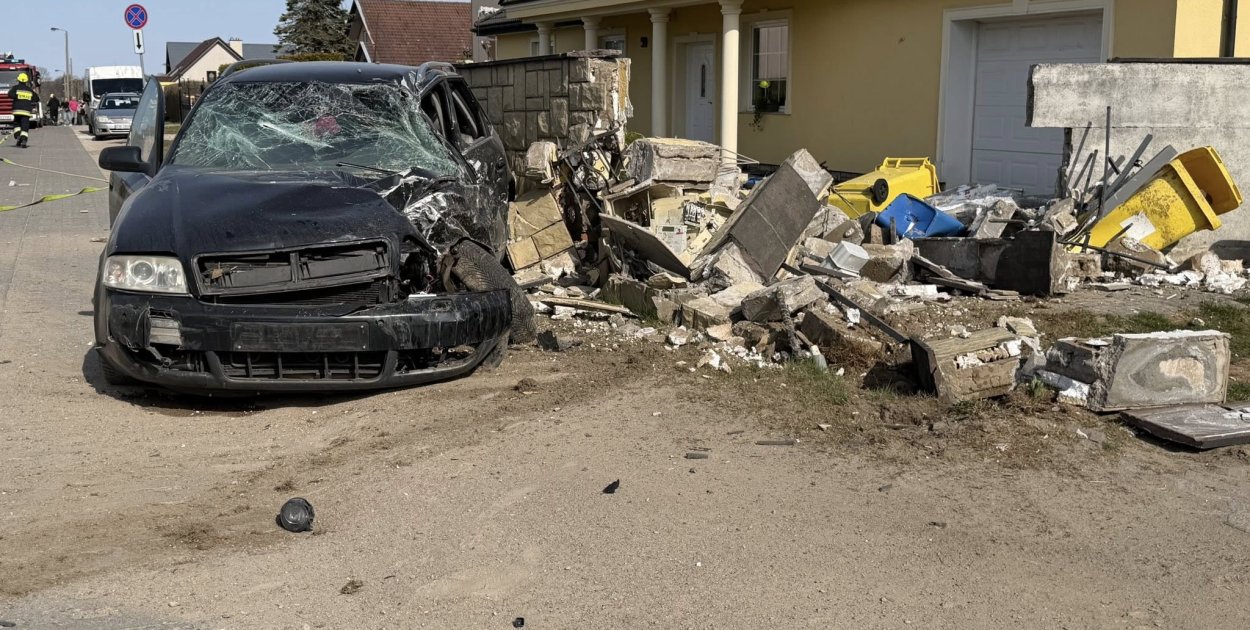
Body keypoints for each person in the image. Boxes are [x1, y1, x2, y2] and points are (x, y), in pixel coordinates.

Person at [7, 73, 36, 148]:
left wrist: (17, 97)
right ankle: (24, 140)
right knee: (25, 126)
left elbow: (10, 94)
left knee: (17, 124)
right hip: (26, 111)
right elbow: (36, 98)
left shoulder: (15, 88)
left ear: (18, 80)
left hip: (17, 111)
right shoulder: (29, 90)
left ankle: (18, 136)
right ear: (26, 81)